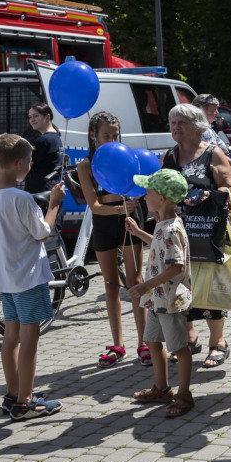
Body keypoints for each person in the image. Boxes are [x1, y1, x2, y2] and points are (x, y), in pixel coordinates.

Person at [0, 133, 64, 420]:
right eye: (30, 160)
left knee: (10, 337)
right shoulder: (23, 198)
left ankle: (13, 394)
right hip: (27, 278)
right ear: (19, 163)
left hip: (5, 281)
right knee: (30, 339)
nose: (32, 163)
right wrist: (54, 204)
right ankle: (25, 401)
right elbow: (42, 234)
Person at [160, 103, 231, 369]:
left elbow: (230, 190)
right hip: (179, 234)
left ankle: (219, 342)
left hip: (208, 231)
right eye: (172, 123)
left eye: (181, 123)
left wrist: (207, 195)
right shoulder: (168, 157)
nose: (176, 128)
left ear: (197, 127)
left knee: (209, 289)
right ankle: (190, 339)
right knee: (181, 286)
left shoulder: (213, 154)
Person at [76, 111, 148, 369]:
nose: (112, 139)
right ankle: (117, 344)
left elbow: (143, 185)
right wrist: (118, 207)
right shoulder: (86, 166)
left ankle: (144, 342)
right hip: (106, 224)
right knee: (110, 285)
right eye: (106, 135)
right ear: (93, 137)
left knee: (135, 282)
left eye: (115, 134)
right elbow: (95, 205)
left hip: (131, 221)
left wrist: (132, 203)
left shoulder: (126, 158)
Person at [124, 168, 195, 417]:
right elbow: (158, 247)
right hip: (157, 298)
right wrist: (138, 232)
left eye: (148, 192)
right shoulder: (162, 224)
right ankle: (162, 388)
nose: (144, 197)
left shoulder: (171, 229)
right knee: (152, 341)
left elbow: (177, 267)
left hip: (170, 299)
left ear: (162, 198)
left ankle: (184, 395)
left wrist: (146, 285)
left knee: (180, 348)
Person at [194, 93, 231, 178]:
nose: (217, 112)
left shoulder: (203, 127)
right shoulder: (204, 130)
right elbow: (216, 154)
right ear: (200, 110)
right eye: (214, 110)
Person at [23, 103, 63, 194]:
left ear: (47, 117)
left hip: (39, 190)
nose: (32, 120)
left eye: (35, 116)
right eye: (30, 117)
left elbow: (26, 165)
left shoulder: (43, 140)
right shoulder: (56, 137)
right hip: (51, 188)